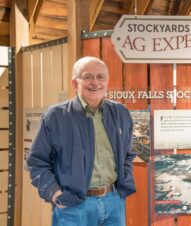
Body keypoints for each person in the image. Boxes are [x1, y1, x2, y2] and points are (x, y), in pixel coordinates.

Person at [27, 56, 136, 226]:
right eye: (87, 77)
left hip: (114, 203)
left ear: (107, 81)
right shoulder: (56, 116)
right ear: (75, 83)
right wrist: (55, 194)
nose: (95, 82)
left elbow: (128, 154)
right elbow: (36, 162)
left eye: (101, 77)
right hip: (73, 206)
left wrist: (123, 183)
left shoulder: (121, 113)